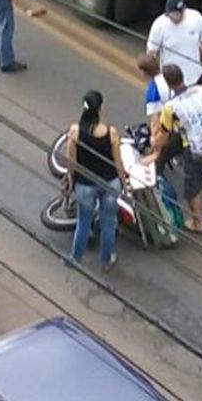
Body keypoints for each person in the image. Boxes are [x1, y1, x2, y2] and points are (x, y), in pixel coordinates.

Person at [153, 64, 202, 233]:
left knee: (193, 187)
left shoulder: (170, 108)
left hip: (195, 150)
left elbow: (163, 137)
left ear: (168, 83)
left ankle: (197, 223)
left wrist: (155, 147)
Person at [66, 91, 129, 271]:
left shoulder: (75, 131)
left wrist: (71, 181)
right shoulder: (111, 133)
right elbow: (118, 163)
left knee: (83, 223)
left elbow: (71, 162)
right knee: (108, 223)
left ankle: (75, 259)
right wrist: (124, 184)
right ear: (101, 108)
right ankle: (106, 260)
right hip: (110, 183)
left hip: (85, 185)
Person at [146, 0, 202, 88]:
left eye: (176, 14)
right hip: (171, 83)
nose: (173, 17)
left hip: (195, 79)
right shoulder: (159, 26)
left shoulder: (195, 18)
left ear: (183, 11)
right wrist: (154, 79)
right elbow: (151, 53)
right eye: (171, 14)